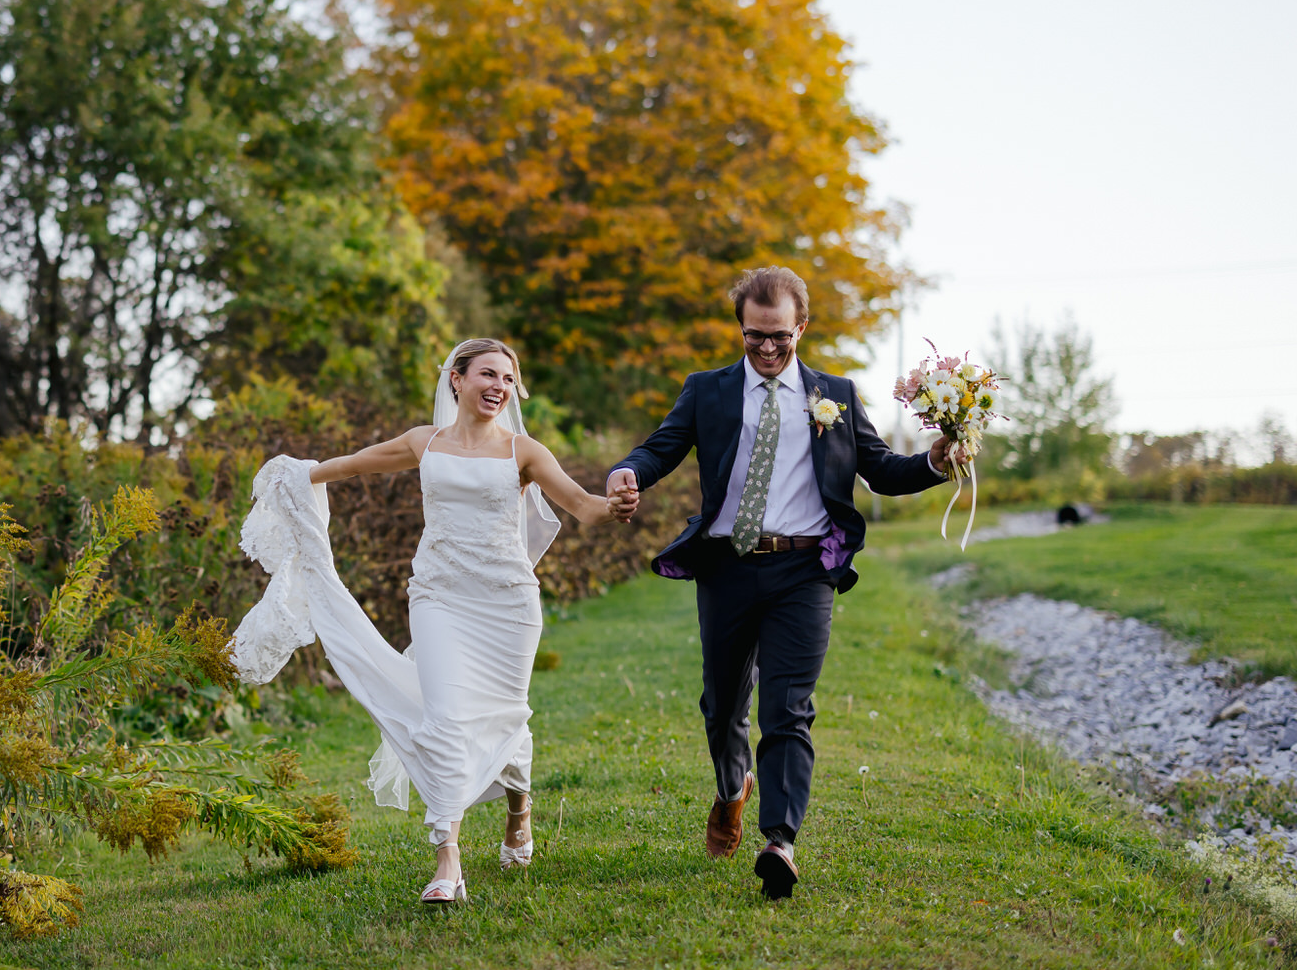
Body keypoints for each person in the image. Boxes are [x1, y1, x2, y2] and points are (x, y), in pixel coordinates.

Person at [604, 268, 953, 900]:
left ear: (802, 328)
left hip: (803, 570)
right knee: (722, 707)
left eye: (780, 337)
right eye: (754, 335)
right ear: (740, 328)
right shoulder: (707, 390)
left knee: (788, 708)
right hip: (727, 565)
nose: (767, 348)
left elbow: (880, 470)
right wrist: (627, 472)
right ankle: (731, 785)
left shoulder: (835, 395)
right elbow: (661, 448)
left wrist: (933, 461)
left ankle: (780, 841)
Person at [228, 338, 614, 906]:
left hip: (508, 604)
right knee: (447, 717)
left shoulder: (524, 451)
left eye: (508, 379)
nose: (499, 387)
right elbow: (353, 465)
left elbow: (583, 506)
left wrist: (615, 502)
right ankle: (447, 859)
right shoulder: (423, 442)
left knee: (504, 714)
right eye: (488, 374)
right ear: (456, 378)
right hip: (438, 598)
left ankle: (519, 809)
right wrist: (298, 475)